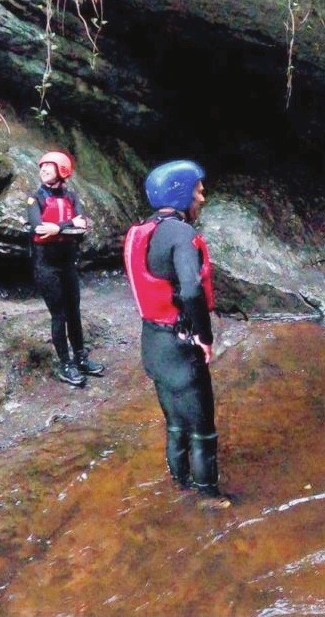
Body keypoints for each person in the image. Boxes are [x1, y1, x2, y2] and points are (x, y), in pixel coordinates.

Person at [123, 159, 230, 509]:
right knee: (203, 430)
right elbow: (191, 290)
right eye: (199, 190)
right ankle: (210, 498)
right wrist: (205, 337)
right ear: (181, 192)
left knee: (175, 425)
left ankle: (180, 484)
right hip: (181, 344)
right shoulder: (182, 234)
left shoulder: (144, 230)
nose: (202, 197)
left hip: (153, 345)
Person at [26, 150, 104, 387]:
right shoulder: (34, 198)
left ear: (62, 172)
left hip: (67, 262)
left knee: (74, 311)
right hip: (46, 264)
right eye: (42, 168)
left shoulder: (71, 196)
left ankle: (80, 356)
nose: (43, 172)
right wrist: (67, 225)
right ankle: (65, 363)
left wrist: (58, 227)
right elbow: (39, 229)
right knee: (59, 314)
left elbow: (82, 225)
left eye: (48, 168)